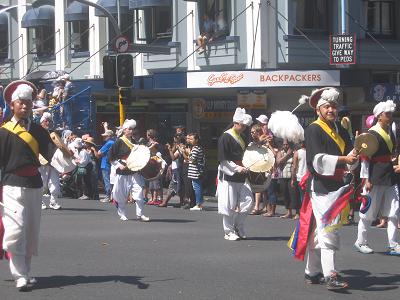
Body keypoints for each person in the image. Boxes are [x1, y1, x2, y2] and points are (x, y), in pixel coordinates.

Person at [290, 87, 358, 290]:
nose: (331, 110)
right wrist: (344, 159)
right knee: (328, 230)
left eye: (334, 106)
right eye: (327, 106)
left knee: (319, 232)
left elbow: (349, 158)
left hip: (337, 186)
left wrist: (357, 151)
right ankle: (330, 275)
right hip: (321, 186)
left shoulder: (341, 129)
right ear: (318, 109)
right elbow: (316, 160)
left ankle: (312, 272)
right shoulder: (313, 129)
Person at [0, 81, 54, 291]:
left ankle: (26, 272)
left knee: (31, 231)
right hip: (12, 184)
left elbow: (50, 154)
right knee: (16, 228)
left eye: (28, 103)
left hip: (35, 184)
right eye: (20, 103)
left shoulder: (39, 131)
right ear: (12, 105)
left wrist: (66, 157)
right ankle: (19, 275)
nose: (24, 107)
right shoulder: (4, 131)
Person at [354, 100, 400, 255]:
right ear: (379, 116)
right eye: (387, 114)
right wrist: (366, 179)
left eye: (391, 114)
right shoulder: (371, 133)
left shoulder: (391, 131)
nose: (390, 116)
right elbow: (365, 159)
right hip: (375, 176)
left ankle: (393, 244)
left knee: (394, 210)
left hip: (390, 174)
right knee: (368, 211)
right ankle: (361, 242)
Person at [217, 107, 253, 241]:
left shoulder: (242, 136)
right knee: (229, 204)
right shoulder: (225, 137)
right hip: (229, 175)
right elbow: (223, 160)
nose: (244, 128)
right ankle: (228, 231)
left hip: (242, 175)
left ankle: (239, 226)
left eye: (245, 126)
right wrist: (237, 168)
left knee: (248, 202)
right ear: (235, 123)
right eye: (242, 125)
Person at [108, 119, 150, 222]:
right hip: (122, 172)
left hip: (134, 172)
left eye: (132, 129)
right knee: (121, 195)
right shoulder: (119, 142)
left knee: (139, 193)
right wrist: (118, 165)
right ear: (124, 130)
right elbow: (110, 156)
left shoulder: (134, 142)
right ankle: (122, 213)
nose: (131, 131)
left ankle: (140, 214)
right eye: (129, 129)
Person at [39, 112, 62, 210]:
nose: (48, 123)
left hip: (53, 161)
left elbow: (60, 145)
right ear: (42, 122)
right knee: (41, 182)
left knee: (55, 182)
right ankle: (40, 201)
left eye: (50, 121)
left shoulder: (54, 133)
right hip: (42, 161)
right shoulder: (37, 132)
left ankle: (53, 201)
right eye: (46, 121)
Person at [94, 129, 115, 203]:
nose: (103, 137)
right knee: (111, 181)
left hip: (105, 164)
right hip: (111, 164)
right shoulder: (113, 142)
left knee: (107, 181)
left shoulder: (109, 143)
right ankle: (112, 196)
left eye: (105, 136)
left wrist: (94, 150)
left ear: (109, 136)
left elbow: (99, 153)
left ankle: (108, 196)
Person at [186, 133, 206, 211]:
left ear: (196, 140)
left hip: (195, 171)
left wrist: (188, 152)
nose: (190, 140)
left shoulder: (195, 148)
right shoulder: (198, 148)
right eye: (189, 139)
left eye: (191, 139)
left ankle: (198, 204)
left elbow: (193, 160)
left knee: (197, 187)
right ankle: (199, 203)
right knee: (197, 187)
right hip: (195, 171)